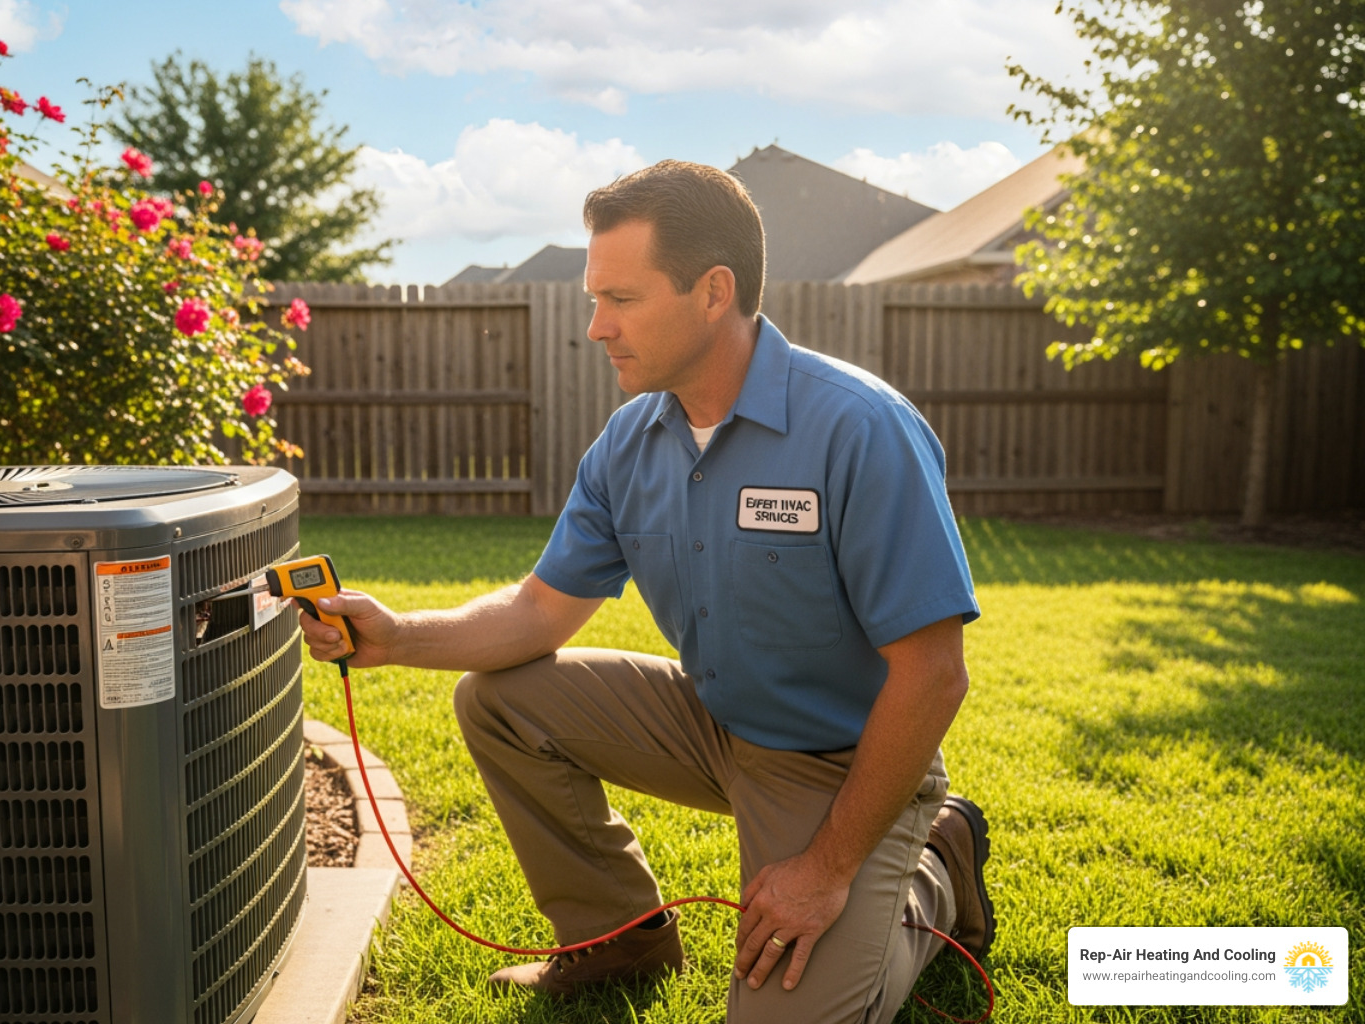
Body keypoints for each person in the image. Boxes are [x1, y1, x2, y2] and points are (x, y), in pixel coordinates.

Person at [300, 159, 996, 1023]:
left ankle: (933, 869)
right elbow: (537, 614)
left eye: (620, 299)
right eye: (597, 298)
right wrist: (397, 635)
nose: (596, 327)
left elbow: (934, 673)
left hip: (839, 763)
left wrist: (824, 871)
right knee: (502, 701)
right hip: (714, 722)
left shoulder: (860, 427)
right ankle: (619, 934)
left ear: (713, 291)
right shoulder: (630, 442)